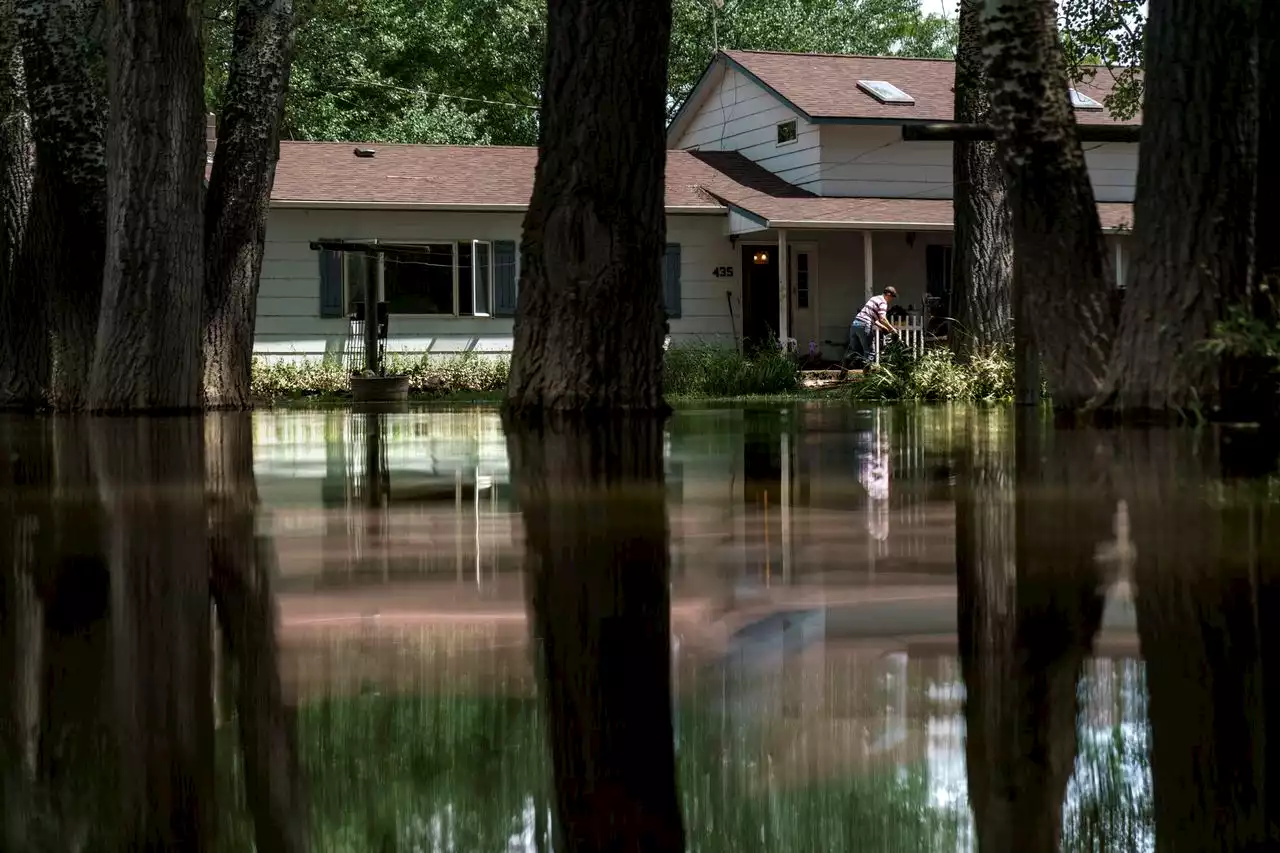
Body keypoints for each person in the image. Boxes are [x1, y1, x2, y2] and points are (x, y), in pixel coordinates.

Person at [844, 286, 899, 369]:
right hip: (864, 325)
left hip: (855, 324)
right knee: (870, 352)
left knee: (855, 351)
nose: (891, 299)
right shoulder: (883, 302)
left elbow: (875, 320)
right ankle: (867, 378)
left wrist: (884, 328)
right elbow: (883, 318)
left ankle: (844, 367)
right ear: (888, 294)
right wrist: (892, 329)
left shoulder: (874, 298)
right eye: (892, 297)